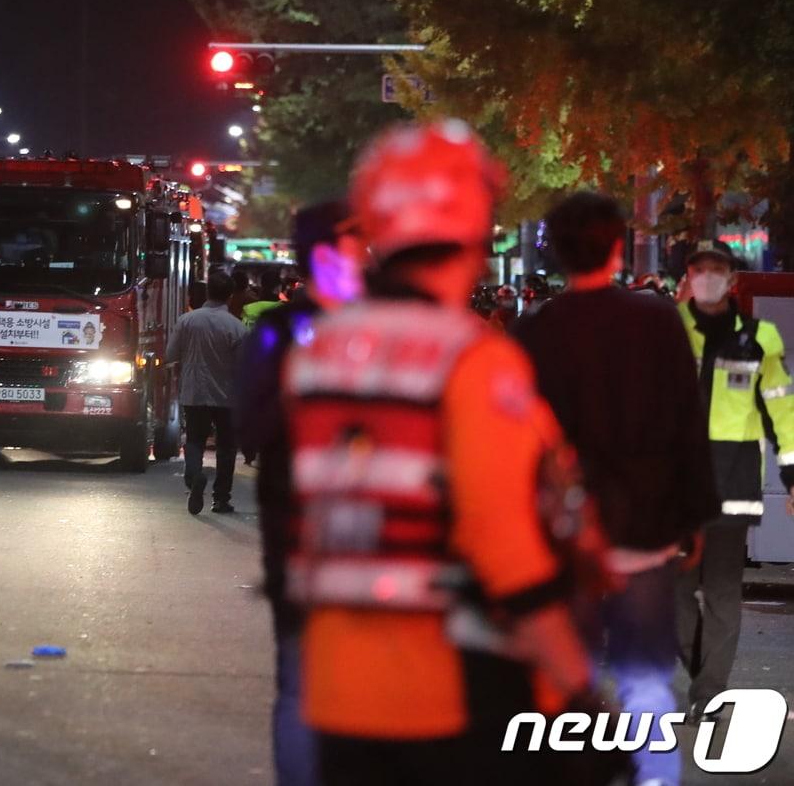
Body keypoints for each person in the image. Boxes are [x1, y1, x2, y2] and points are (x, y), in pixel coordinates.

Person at [284, 121, 611, 785]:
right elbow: (504, 547)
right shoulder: (472, 358)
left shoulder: (318, 352)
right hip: (452, 694)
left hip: (337, 691)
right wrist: (578, 688)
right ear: (475, 219)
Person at [513, 192, 720, 786]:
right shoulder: (655, 322)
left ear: (555, 253)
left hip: (565, 538)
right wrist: (693, 517)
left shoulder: (535, 332)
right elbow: (686, 421)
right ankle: (654, 777)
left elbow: (520, 444)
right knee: (646, 678)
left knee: (565, 677)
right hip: (644, 531)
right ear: (615, 247)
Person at [237, 198, 362, 786]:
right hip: (306, 532)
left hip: (364, 537)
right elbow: (252, 427)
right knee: (304, 676)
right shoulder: (282, 333)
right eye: (360, 242)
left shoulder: (378, 326)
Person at [676, 238, 794, 716]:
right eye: (699, 269)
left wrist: (792, 474)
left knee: (723, 592)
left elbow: (781, 410)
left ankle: (709, 693)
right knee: (675, 594)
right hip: (677, 486)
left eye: (716, 269)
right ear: (688, 276)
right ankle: (701, 670)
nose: (707, 277)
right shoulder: (668, 331)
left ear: (732, 280)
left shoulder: (760, 338)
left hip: (733, 482)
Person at [167, 269, 247, 514]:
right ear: (230, 296)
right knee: (226, 447)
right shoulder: (236, 327)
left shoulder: (187, 321)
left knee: (194, 440)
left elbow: (171, 354)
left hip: (195, 392)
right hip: (227, 396)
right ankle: (221, 498)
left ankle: (194, 478)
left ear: (207, 292)